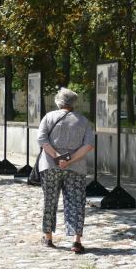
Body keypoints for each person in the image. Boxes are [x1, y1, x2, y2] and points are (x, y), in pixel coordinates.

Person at [38, 87, 94, 253]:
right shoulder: (83, 121)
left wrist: (57, 157)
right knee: (76, 202)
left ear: (58, 102)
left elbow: (41, 139)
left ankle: (48, 238)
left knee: (50, 200)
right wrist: (69, 160)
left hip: (50, 165)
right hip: (76, 168)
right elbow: (89, 145)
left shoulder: (49, 117)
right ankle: (76, 241)